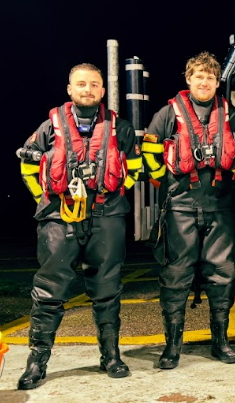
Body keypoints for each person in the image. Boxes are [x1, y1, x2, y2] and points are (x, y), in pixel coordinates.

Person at [17, 63, 142, 389]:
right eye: (81, 84)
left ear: (102, 91)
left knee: (108, 290)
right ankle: (36, 362)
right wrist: (46, 203)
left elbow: (137, 169)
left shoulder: (121, 129)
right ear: (70, 89)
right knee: (49, 293)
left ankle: (111, 355)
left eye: (94, 84)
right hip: (59, 220)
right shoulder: (49, 127)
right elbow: (28, 168)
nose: (87, 89)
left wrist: (107, 200)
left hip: (106, 218)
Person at [142, 51, 235, 369]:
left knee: (222, 276)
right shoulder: (167, 114)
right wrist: (167, 187)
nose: (204, 82)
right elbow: (149, 155)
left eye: (210, 77)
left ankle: (220, 343)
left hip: (219, 209)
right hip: (180, 209)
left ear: (216, 82)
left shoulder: (230, 114)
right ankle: (172, 347)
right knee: (175, 278)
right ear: (188, 79)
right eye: (199, 76)